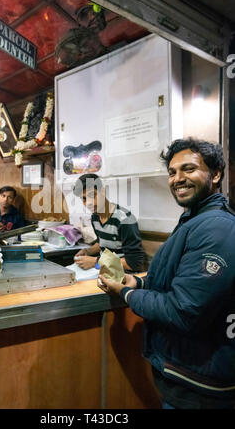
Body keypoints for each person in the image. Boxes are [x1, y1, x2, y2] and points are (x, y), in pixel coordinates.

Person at [98, 138, 235, 409]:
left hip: (201, 386)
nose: (178, 179)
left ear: (216, 174)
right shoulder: (195, 219)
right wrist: (136, 280)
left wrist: (125, 293)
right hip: (185, 375)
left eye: (189, 169)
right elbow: (176, 277)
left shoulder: (216, 228)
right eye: (172, 172)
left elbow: (183, 311)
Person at [72, 173, 145, 272]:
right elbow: (101, 243)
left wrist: (95, 261)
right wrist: (87, 251)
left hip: (123, 276)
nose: (89, 203)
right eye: (84, 199)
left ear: (103, 191)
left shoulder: (124, 220)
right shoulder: (95, 217)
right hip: (103, 271)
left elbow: (134, 263)